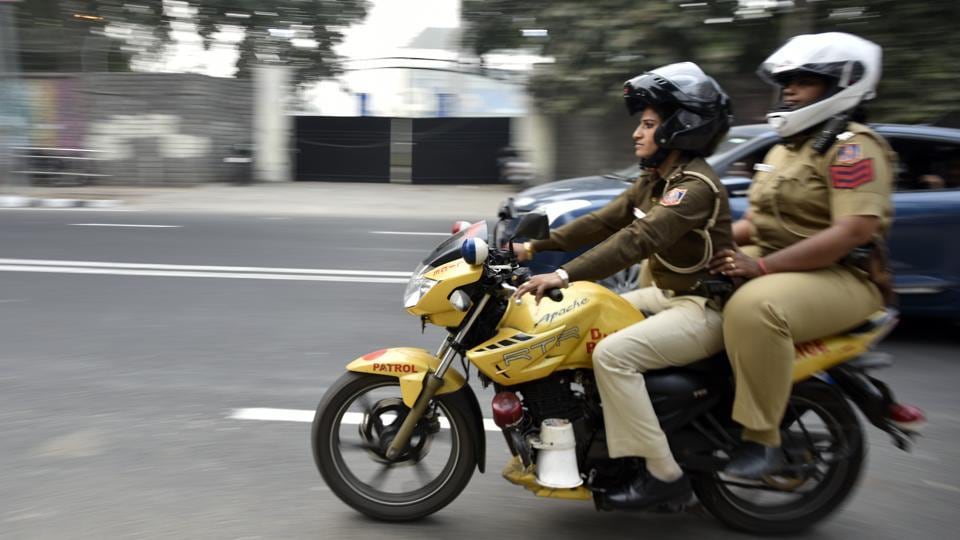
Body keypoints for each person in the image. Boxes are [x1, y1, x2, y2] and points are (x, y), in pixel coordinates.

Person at [512, 62, 734, 509]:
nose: (637, 133)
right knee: (579, 315)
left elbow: (638, 239)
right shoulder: (656, 181)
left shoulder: (693, 188)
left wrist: (563, 273)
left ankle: (663, 474)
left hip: (703, 308)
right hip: (669, 297)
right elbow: (601, 222)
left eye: (649, 124)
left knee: (612, 355)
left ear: (678, 128)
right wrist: (533, 248)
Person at [707, 32, 896, 478]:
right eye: (787, 79)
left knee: (756, 308)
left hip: (842, 276)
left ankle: (762, 437)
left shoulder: (852, 147)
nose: (789, 88)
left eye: (805, 79)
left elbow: (852, 231)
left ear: (841, 85)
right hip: (784, 259)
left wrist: (762, 267)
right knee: (672, 272)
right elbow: (756, 222)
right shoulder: (785, 148)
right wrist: (701, 243)